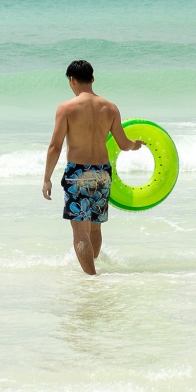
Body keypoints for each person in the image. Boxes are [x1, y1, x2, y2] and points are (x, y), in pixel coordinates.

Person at [42, 59, 142, 275]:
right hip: (102, 172)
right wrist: (136, 145)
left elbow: (55, 146)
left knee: (80, 230)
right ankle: (93, 273)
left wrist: (47, 178)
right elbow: (124, 144)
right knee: (95, 227)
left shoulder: (67, 108)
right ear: (93, 79)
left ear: (72, 80)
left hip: (78, 173)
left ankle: (91, 279)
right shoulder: (110, 107)